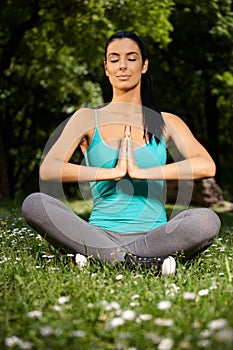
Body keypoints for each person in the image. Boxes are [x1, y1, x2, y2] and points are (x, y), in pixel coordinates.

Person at [22, 31, 221, 275]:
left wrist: (141, 172)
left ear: (144, 65)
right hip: (97, 233)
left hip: (155, 237)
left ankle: (102, 258)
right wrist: (111, 171)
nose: (122, 66)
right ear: (106, 68)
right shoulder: (86, 118)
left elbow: (206, 165)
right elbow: (49, 168)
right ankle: (140, 263)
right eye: (114, 59)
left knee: (207, 220)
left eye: (131, 58)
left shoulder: (166, 122)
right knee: (35, 203)